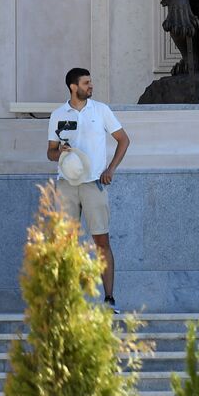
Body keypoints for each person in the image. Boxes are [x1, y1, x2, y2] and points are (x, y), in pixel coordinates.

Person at [47, 67, 131, 312]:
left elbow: (124, 140)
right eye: (86, 83)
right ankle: (67, 301)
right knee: (66, 243)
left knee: (101, 241)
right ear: (74, 87)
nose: (90, 86)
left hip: (94, 183)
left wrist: (110, 169)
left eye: (90, 83)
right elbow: (50, 152)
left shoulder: (101, 110)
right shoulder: (57, 114)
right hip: (66, 184)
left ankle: (109, 300)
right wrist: (59, 152)